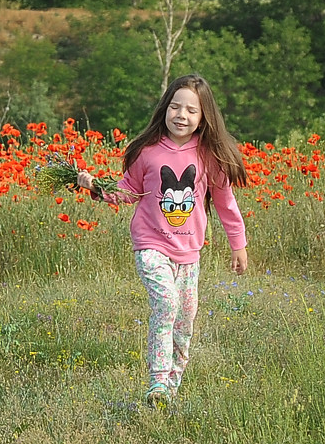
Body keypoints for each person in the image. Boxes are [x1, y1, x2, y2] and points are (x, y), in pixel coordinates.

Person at [77, 74, 249, 407]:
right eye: (175, 107)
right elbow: (127, 192)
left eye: (191, 110)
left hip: (189, 253)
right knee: (166, 303)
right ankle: (157, 380)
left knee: (185, 321)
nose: (181, 116)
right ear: (164, 108)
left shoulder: (209, 156)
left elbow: (226, 203)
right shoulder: (148, 152)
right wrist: (95, 186)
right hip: (151, 245)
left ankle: (170, 388)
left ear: (204, 117)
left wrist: (238, 244)